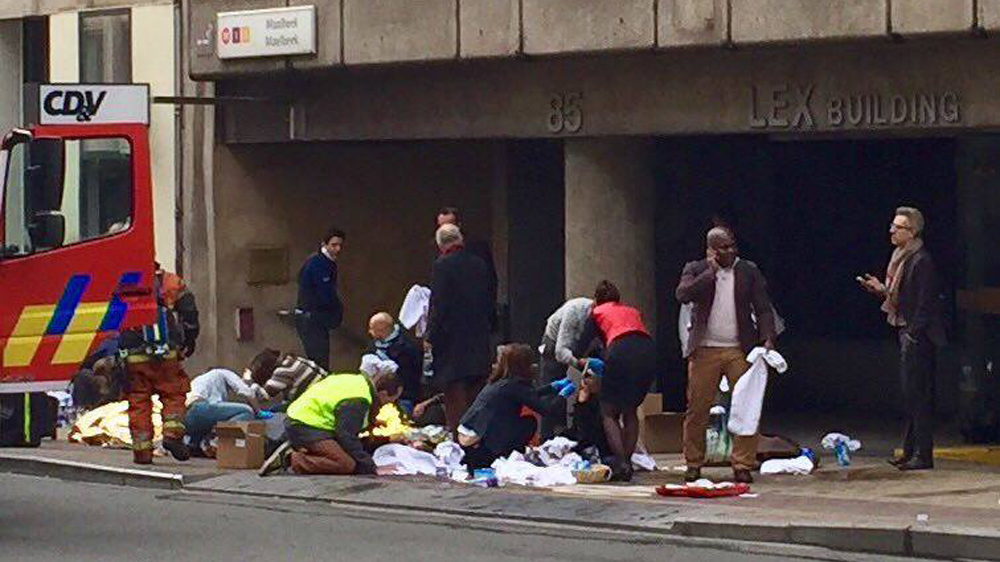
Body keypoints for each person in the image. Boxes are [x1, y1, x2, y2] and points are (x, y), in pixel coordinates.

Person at [675, 227, 776, 484]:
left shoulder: (748, 271)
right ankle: (693, 463)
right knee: (697, 409)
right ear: (711, 250)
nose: (730, 251)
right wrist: (710, 272)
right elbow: (683, 294)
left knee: (746, 406)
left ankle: (742, 463)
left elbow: (763, 308)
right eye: (723, 247)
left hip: (739, 349)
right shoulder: (696, 269)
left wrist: (768, 339)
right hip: (704, 349)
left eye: (732, 246)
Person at [858, 207, 945, 471]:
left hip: (918, 335)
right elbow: (900, 296)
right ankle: (909, 451)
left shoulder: (921, 260)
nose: (892, 231)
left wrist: (913, 333)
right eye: (892, 226)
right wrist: (881, 290)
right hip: (905, 328)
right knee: (910, 395)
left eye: (898, 227)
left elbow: (925, 303)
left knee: (919, 395)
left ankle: (923, 454)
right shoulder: (901, 258)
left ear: (912, 231)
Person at [258, 361, 403, 476]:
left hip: (306, 419)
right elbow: (346, 436)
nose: (390, 404)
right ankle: (291, 459)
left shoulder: (358, 381)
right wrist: (371, 467)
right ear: (383, 394)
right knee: (346, 464)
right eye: (391, 400)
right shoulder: (360, 399)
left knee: (347, 455)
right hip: (307, 425)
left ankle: (306, 451)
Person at [119, 265, 199, 465]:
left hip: (132, 353)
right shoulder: (168, 281)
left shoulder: (119, 282)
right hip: (165, 352)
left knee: (138, 401)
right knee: (173, 394)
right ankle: (172, 434)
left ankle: (142, 452)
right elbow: (189, 310)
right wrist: (189, 339)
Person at [459, 344, 575, 469]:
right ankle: (505, 455)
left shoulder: (499, 382)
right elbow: (547, 410)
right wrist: (563, 396)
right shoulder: (515, 385)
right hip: (483, 446)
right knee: (528, 422)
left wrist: (552, 387)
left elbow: (528, 395)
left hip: (469, 438)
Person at [426, 224, 493, 433]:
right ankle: (477, 437)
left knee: (455, 395)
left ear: (441, 244)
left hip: (452, 341)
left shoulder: (443, 265)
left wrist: (430, 335)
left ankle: (459, 438)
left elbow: (439, 304)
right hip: (478, 337)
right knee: (476, 392)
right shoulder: (479, 264)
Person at [590, 281, 656, 482]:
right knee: (630, 409)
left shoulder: (596, 312)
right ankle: (628, 460)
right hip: (647, 350)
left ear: (597, 299)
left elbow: (588, 341)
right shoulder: (632, 311)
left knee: (608, 411)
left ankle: (621, 463)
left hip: (619, 350)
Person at [538, 297, 598, 439]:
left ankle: (586, 431)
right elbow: (560, 352)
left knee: (591, 386)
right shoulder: (574, 311)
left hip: (582, 342)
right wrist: (579, 364)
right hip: (555, 344)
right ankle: (549, 436)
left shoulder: (601, 316)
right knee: (553, 389)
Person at [436, 207, 498, 330]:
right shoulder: (436, 250)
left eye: (449, 226)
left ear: (458, 226)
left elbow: (490, 281)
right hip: (449, 320)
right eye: (441, 227)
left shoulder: (477, 249)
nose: (445, 231)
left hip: (475, 315)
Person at [295, 227, 345, 370]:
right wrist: (336, 310)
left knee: (320, 359)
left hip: (315, 318)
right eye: (334, 245)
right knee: (319, 361)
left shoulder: (322, 262)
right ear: (324, 244)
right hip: (312, 318)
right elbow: (325, 293)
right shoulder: (318, 264)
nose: (337, 249)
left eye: (340, 245)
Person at [185, 368, 259, 457]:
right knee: (247, 411)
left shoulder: (198, 380)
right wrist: (258, 411)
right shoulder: (221, 372)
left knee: (211, 419)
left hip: (185, 417)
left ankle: (194, 445)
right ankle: (217, 441)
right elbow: (246, 392)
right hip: (200, 408)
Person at [367, 312, 423, 415]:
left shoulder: (406, 348)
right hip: (377, 396)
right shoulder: (374, 345)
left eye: (373, 329)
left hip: (402, 397)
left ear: (383, 330)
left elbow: (411, 376)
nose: (370, 332)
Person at [245, 348, 329, 410]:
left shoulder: (283, 370)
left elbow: (263, 396)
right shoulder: (294, 359)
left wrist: (248, 380)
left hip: (317, 401)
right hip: (325, 394)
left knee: (273, 410)